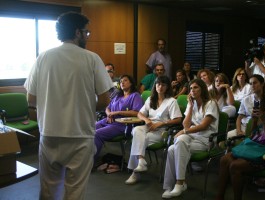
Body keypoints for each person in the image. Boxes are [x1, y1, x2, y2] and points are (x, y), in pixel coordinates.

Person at [24, 12, 113, 200]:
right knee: (75, 191)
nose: (87, 37)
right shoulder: (92, 59)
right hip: (80, 136)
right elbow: (105, 101)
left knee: (48, 190)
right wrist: (84, 106)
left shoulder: (43, 58)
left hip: (49, 134)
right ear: (77, 32)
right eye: (86, 33)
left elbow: (30, 100)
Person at [215, 89, 265, 200]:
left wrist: (264, 121)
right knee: (224, 159)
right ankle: (219, 196)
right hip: (254, 148)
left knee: (235, 166)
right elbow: (253, 134)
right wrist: (254, 119)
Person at [162, 79, 219, 198]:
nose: (192, 90)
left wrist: (183, 131)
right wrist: (191, 107)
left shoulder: (211, 103)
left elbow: (203, 126)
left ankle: (179, 183)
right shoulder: (191, 104)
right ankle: (171, 186)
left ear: (202, 89)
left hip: (205, 140)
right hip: (192, 136)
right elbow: (186, 125)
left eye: (196, 88)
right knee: (176, 145)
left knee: (174, 148)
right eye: (191, 88)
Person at [125, 75, 182, 185]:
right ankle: (141, 161)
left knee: (140, 139)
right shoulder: (151, 99)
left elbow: (178, 119)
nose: (160, 87)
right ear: (155, 86)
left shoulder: (171, 101)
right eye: (158, 84)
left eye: (163, 85)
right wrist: (146, 120)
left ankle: (135, 173)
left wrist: (162, 123)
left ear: (167, 87)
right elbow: (139, 113)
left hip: (162, 130)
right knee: (137, 130)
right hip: (148, 126)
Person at [94, 75, 143, 161]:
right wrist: (109, 114)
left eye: (125, 80)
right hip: (109, 120)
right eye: (121, 81)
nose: (122, 83)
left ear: (131, 83)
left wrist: (117, 112)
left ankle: (90, 162)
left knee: (97, 134)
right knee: (89, 129)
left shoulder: (135, 96)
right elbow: (107, 108)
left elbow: (137, 113)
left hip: (122, 125)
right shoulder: (118, 96)